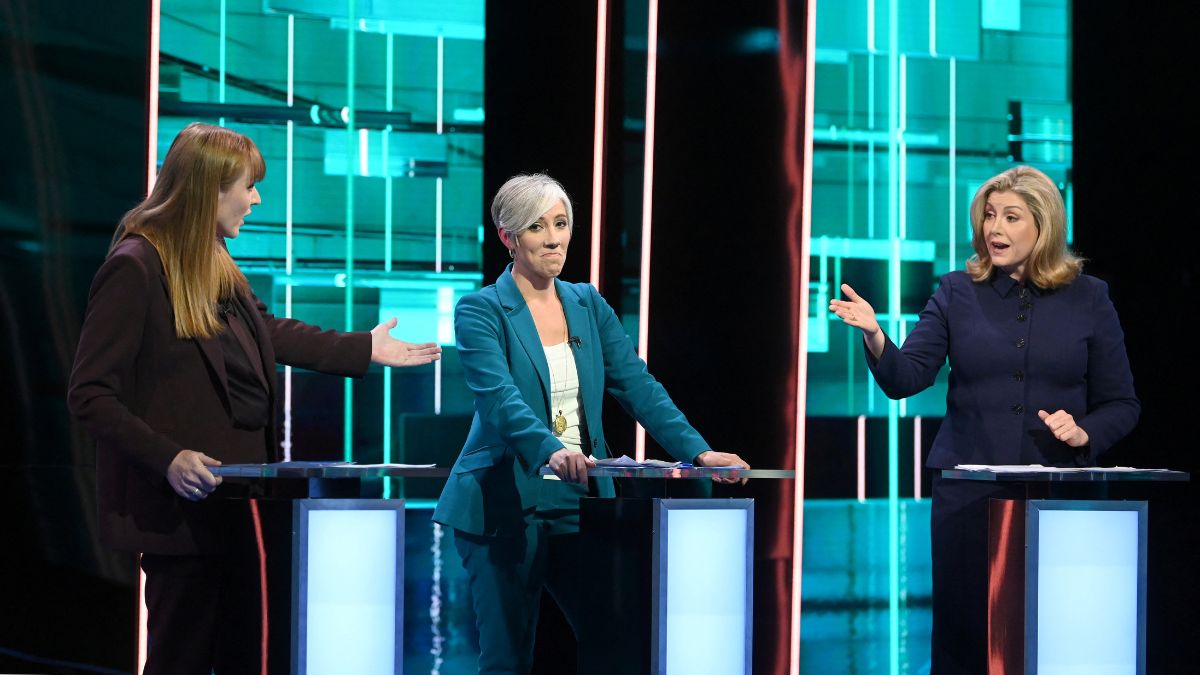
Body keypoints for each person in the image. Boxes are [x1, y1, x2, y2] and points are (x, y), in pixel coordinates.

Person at [67, 122, 440, 675]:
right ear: (208, 187)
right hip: (181, 516)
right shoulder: (137, 266)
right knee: (180, 660)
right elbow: (91, 393)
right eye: (247, 186)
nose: (256, 198)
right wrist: (168, 457)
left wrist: (364, 349)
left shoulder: (215, 263)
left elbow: (273, 333)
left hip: (240, 508)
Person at [433, 173, 749, 674]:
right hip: (501, 503)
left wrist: (698, 451)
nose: (555, 237)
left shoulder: (587, 303)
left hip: (579, 501)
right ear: (508, 237)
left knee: (617, 646)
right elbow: (500, 399)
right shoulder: (480, 309)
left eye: (561, 223)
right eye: (538, 227)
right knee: (507, 660)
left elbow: (638, 386)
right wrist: (551, 448)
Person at [829, 164, 1139, 674]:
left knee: (1052, 636)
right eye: (989, 216)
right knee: (967, 637)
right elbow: (907, 378)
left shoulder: (1090, 297)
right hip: (969, 498)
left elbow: (1122, 404)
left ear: (1043, 226)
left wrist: (1085, 431)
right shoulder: (955, 292)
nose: (994, 229)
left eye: (1010, 217)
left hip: (1056, 494)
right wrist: (875, 335)